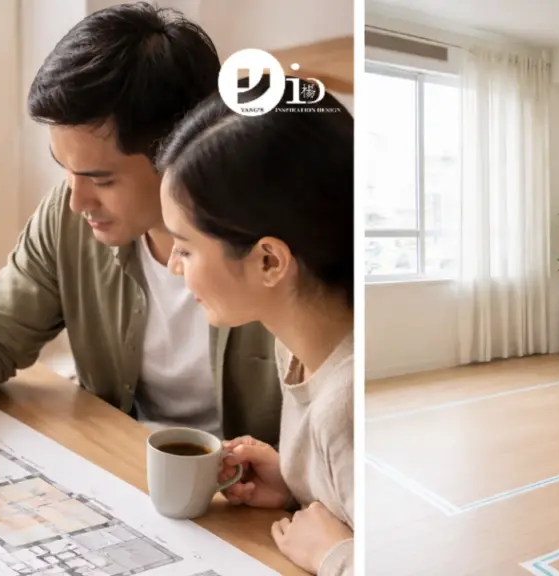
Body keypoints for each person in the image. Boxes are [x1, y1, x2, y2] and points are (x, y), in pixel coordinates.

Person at [0, 3, 280, 493]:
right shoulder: (69, 218)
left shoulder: (275, 251)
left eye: (101, 179)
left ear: (185, 151)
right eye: (64, 169)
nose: (76, 200)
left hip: (253, 504)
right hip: (123, 476)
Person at [155, 82, 354, 575]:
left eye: (186, 248)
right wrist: (296, 482)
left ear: (269, 261)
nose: (174, 266)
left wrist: (337, 558)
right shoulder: (295, 346)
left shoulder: (347, 406)